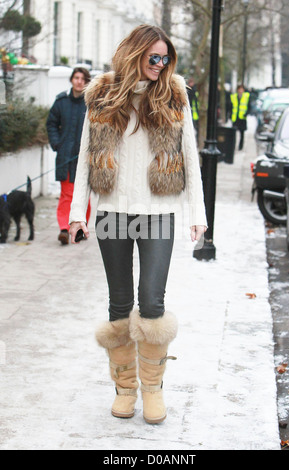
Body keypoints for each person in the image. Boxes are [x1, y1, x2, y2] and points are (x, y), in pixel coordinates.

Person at [69, 24, 207, 424]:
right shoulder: (102, 96)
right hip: (112, 211)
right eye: (154, 58)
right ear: (135, 54)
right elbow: (84, 158)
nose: (160, 65)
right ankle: (125, 389)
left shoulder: (174, 95)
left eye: (165, 58)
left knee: (151, 301)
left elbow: (190, 159)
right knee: (118, 303)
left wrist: (197, 214)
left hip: (158, 212)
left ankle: (153, 389)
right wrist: (79, 211)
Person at [47, 67, 92, 245]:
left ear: (86, 81)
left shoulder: (91, 102)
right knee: (66, 193)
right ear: (72, 80)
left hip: (85, 158)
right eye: (76, 77)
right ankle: (64, 229)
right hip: (65, 155)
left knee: (83, 194)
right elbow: (51, 123)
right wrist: (57, 143)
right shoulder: (61, 101)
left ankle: (81, 227)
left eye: (83, 78)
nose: (79, 81)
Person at [230, 84, 250, 150]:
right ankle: (233, 145)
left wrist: (246, 114)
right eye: (239, 89)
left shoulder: (246, 96)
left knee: (242, 133)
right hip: (235, 118)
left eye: (242, 89)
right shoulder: (233, 96)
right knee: (233, 134)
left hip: (242, 118)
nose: (240, 91)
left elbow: (249, 106)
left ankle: (240, 146)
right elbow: (230, 106)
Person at [187, 77, 200, 142]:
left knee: (196, 128)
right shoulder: (189, 90)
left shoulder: (195, 90)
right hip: (191, 111)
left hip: (195, 112)